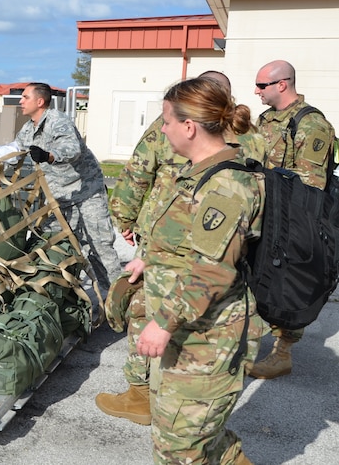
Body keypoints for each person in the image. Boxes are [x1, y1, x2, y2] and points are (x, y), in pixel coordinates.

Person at [98, 70, 265, 426]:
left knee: (184, 440)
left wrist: (124, 218)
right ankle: (148, 393)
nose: (162, 127)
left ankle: (141, 392)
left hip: (201, 309)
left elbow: (139, 173)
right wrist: (150, 254)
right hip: (173, 256)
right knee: (192, 436)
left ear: (191, 123)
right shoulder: (241, 145)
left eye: (167, 120)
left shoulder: (224, 179)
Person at [248, 60, 335, 379]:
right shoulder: (266, 119)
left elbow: (311, 182)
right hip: (264, 213)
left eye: (261, 85)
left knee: (288, 280)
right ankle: (250, 341)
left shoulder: (311, 123)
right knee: (255, 277)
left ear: (282, 84)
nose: (256, 91)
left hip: (292, 218)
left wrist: (267, 180)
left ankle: (282, 351)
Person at [14, 82, 122, 292]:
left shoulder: (58, 121)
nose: (20, 101)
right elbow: (13, 152)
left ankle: (118, 304)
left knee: (99, 248)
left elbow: (71, 148)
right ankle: (68, 297)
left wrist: (49, 155)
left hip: (86, 192)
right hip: (60, 198)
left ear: (40, 101)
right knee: (55, 245)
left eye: (25, 97)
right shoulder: (28, 129)